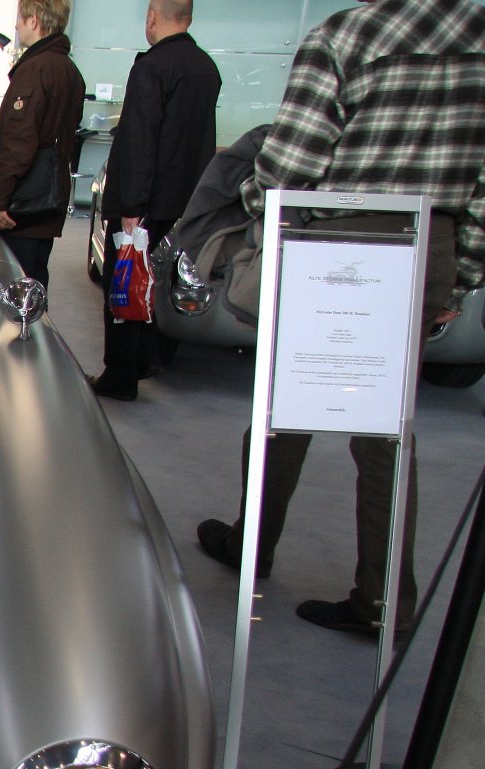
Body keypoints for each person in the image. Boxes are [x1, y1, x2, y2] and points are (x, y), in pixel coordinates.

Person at [196, 0, 485, 639]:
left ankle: (252, 545)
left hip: (338, 237)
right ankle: (385, 601)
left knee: (285, 405)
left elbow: (289, 164)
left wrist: (249, 202)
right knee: (387, 431)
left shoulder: (347, 34)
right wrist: (462, 270)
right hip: (431, 238)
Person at [89, 0, 220, 402]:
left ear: (152, 17)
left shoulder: (151, 68)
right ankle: (149, 360)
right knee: (158, 284)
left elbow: (140, 141)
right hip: (183, 202)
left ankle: (120, 377)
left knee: (125, 285)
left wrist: (131, 207)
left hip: (143, 205)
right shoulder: (206, 68)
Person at [0, 0, 83, 287]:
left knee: (11, 288)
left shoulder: (35, 70)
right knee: (34, 285)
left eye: (20, 19)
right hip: (46, 202)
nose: (16, 26)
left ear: (34, 21)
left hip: (20, 207)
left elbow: (17, 143)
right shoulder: (70, 70)